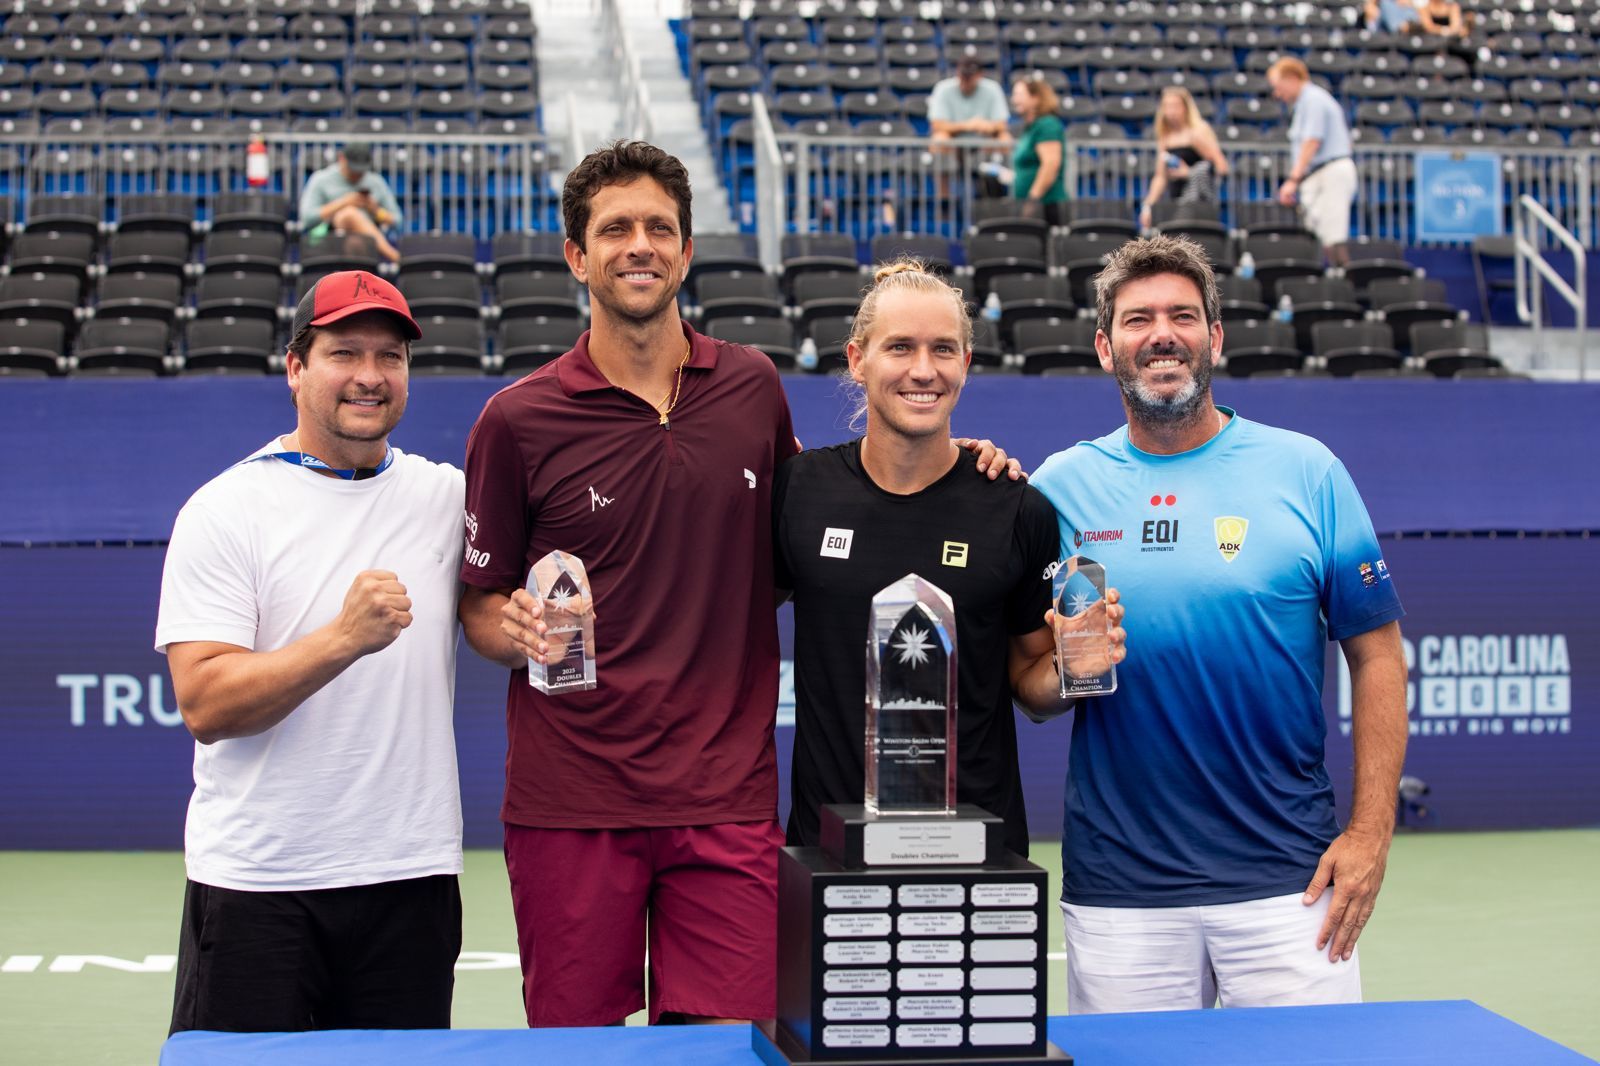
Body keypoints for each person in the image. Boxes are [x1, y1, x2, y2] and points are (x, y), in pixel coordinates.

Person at [457, 141, 1020, 1030]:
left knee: (730, 1051)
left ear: (685, 253)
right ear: (576, 256)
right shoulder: (517, 419)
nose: (638, 245)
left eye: (660, 229)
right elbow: (479, 606)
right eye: (615, 229)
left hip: (726, 801)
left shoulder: (754, 389)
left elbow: (847, 515)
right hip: (571, 805)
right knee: (578, 1053)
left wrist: (970, 473)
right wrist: (515, 628)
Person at [1029, 236, 1409, 1014]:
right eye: (1138, 320)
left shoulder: (1308, 471)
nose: (1161, 334)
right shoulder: (1058, 489)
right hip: (1120, 893)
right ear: (1106, 347)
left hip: (1291, 887)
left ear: (1215, 337)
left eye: (1183, 316)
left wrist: (1371, 834)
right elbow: (1031, 689)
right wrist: (1069, 666)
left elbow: (1378, 656)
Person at [156, 271, 465, 1034]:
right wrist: (341, 640)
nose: (369, 376)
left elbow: (502, 608)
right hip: (261, 885)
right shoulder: (226, 509)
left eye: (390, 357)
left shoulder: (447, 496)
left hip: (412, 881)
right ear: (295, 368)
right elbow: (206, 703)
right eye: (344, 353)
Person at [775, 260, 1125, 857]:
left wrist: (1077, 664)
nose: (922, 370)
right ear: (858, 361)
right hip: (830, 856)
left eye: (942, 349)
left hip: (979, 858)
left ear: (965, 364)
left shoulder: (1018, 509)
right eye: (900, 348)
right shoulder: (799, 489)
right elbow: (723, 618)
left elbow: (1031, 690)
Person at [1268, 58, 1358, 267]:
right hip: (1319, 174)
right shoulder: (1304, 103)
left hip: (1331, 172)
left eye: (1278, 87)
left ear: (1291, 79)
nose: (1277, 94)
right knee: (1322, 237)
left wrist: (1293, 179)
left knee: (1333, 237)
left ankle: (1344, 286)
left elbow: (1312, 141)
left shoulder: (1313, 100)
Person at [1138, 87, 1230, 231]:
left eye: (1175, 106)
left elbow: (1221, 166)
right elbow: (1160, 177)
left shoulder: (1197, 132)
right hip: (1176, 200)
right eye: (1167, 106)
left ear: (1185, 108)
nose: (1171, 111)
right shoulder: (1165, 136)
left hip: (1199, 202)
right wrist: (1148, 205)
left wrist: (1189, 173)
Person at [298, 142, 404, 263]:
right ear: (342, 158)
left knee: (355, 242)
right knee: (348, 214)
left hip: (367, 242)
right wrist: (343, 203)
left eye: (361, 171)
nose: (357, 175)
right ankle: (395, 257)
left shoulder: (376, 182)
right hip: (330, 237)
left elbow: (397, 220)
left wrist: (375, 210)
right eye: (353, 169)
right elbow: (307, 218)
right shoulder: (321, 179)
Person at [928, 57, 1012, 200]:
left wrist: (987, 126)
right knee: (939, 139)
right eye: (963, 75)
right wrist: (967, 125)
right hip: (954, 146)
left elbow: (1002, 124)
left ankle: (1005, 194)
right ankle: (944, 200)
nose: (966, 80)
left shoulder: (992, 88)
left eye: (970, 76)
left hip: (984, 145)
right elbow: (937, 125)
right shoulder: (943, 88)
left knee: (1005, 138)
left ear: (979, 75)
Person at [1009, 74, 1068, 226]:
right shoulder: (1030, 128)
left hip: (1046, 207)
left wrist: (1032, 200)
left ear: (1035, 98)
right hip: (1033, 206)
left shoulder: (1047, 124)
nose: (1014, 100)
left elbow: (1050, 165)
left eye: (1019, 95)